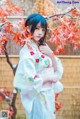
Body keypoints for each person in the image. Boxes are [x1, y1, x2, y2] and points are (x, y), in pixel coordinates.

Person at [13, 13, 63, 119]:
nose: (40, 32)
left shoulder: (43, 46)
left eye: (43, 29)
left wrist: (51, 55)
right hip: (37, 95)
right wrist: (48, 78)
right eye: (37, 28)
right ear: (28, 29)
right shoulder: (26, 51)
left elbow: (56, 70)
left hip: (48, 95)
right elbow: (30, 78)